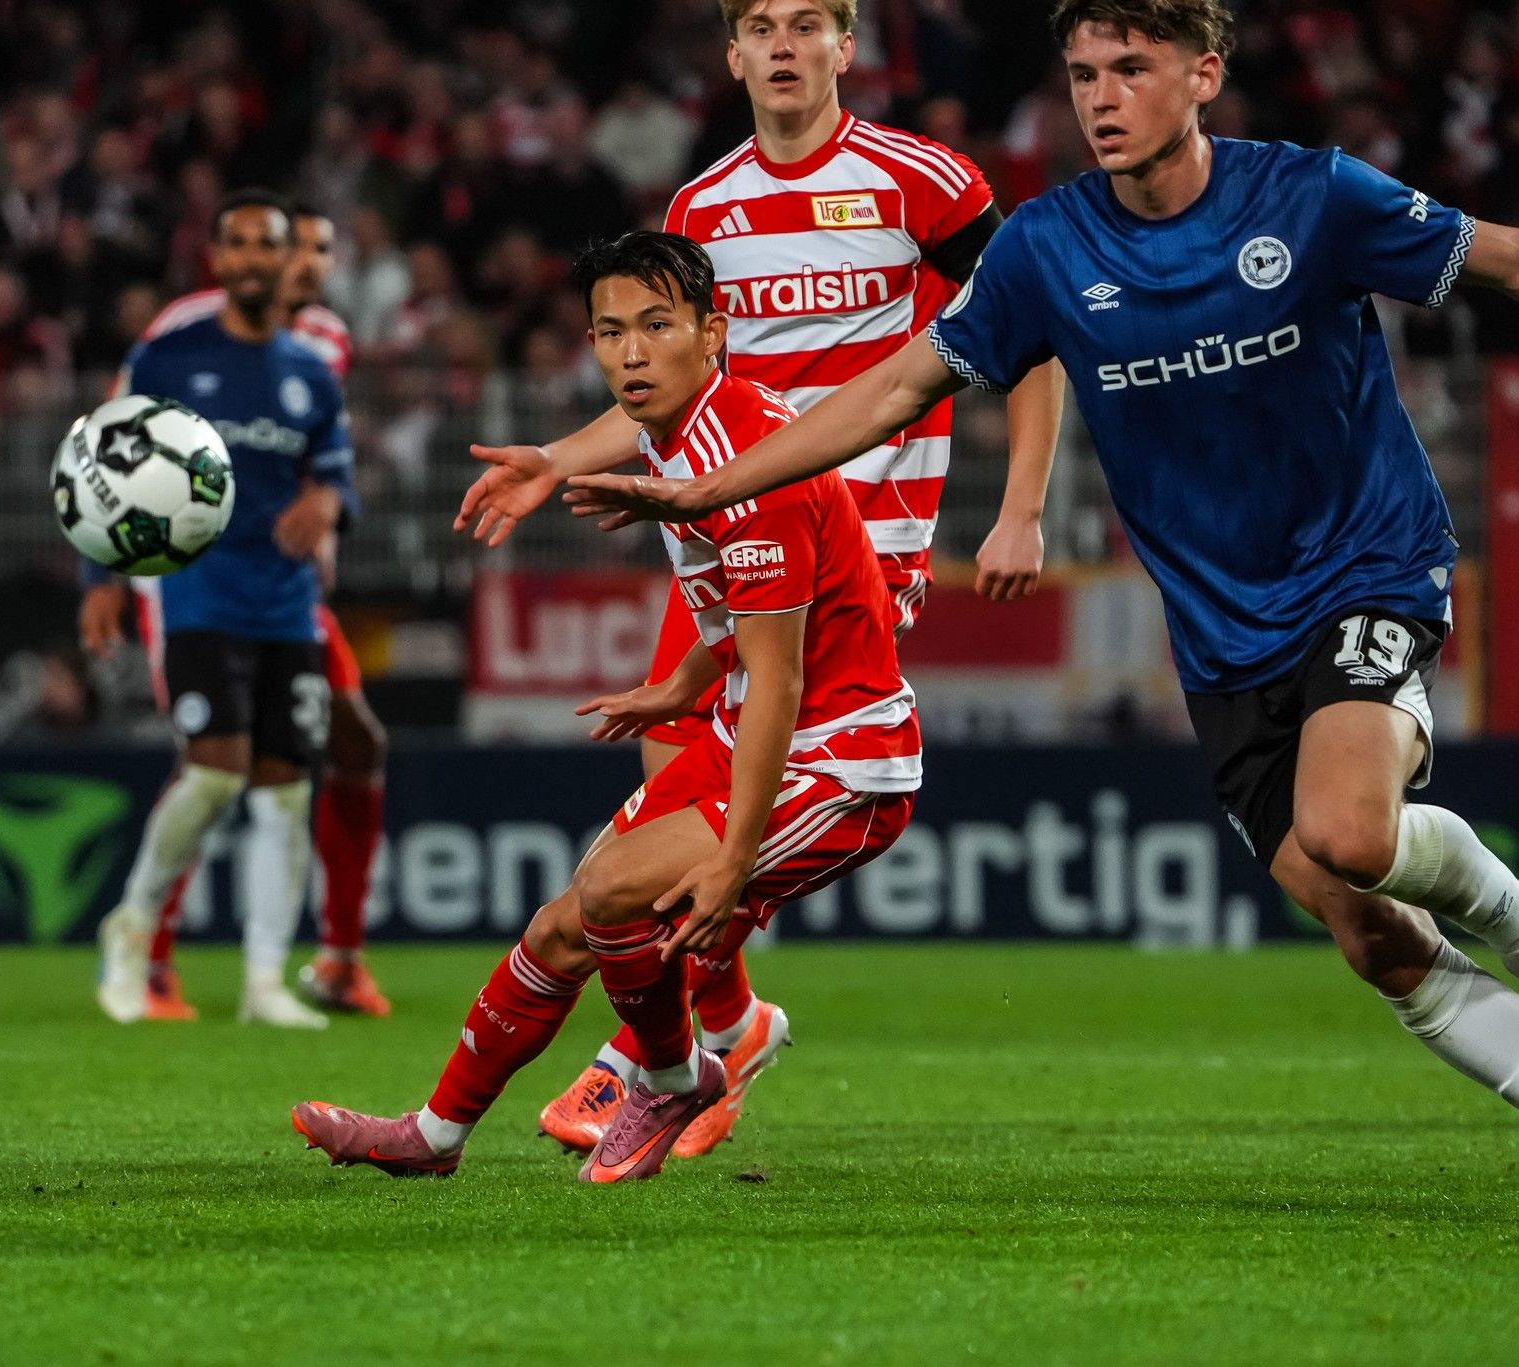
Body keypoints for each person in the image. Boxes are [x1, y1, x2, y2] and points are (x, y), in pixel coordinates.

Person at [567, 0, 1519, 1116]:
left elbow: (1498, 258)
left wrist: (1016, 506)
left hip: (1366, 564)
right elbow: (894, 388)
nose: (1102, 99)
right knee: (1359, 922)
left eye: (1132, 69)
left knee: (1347, 827)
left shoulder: (1314, 197)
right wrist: (709, 486)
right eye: (1082, 75)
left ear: (1205, 75)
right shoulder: (1046, 247)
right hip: (1222, 629)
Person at [456, 0, 1065, 1158]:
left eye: (808, 23)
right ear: (731, 54)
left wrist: (1021, 505)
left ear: (846, 46)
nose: (784, 45)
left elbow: (1021, 330)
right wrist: (556, 457)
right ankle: (728, 1028)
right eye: (762, 27)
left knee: (736, 802)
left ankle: (653, 1054)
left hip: (861, 538)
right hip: (731, 533)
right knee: (671, 776)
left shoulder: (922, 181)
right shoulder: (702, 208)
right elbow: (667, 386)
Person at [292, 231, 919, 1181]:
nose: (631, 352)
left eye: (656, 326)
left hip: (841, 763)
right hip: (753, 726)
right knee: (560, 926)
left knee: (615, 892)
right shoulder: (680, 431)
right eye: (611, 331)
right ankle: (433, 1135)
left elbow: (782, 681)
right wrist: (686, 683)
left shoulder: (753, 461)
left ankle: (672, 1077)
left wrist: (735, 861)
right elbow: (762, 625)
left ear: (713, 333)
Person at [105, 204, 391, 1021]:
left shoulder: (324, 346)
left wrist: (328, 508)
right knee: (212, 764)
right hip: (191, 578)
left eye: (320, 249)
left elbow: (324, 464)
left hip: (288, 588)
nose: (306, 262)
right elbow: (116, 443)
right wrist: (116, 570)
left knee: (339, 751)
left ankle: (323, 964)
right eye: (289, 245)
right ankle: (148, 952)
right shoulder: (181, 333)